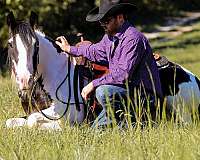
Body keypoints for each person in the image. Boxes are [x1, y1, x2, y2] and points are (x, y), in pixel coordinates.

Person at [56, 0, 163, 126]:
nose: (103, 24)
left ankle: (135, 123)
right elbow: (94, 51)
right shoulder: (110, 38)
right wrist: (70, 49)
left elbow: (123, 74)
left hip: (144, 97)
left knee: (103, 91)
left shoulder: (133, 39)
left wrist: (93, 84)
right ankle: (119, 124)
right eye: (101, 21)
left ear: (120, 18)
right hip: (127, 93)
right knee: (94, 135)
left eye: (106, 21)